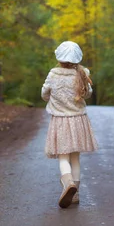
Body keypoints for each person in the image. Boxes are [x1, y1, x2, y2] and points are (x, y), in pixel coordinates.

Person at [41, 41, 98, 208]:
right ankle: (75, 194)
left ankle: (68, 184)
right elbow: (88, 94)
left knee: (63, 156)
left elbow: (44, 94)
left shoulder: (53, 74)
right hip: (79, 120)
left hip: (60, 121)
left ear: (59, 58)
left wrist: (52, 96)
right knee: (75, 158)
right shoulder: (82, 73)